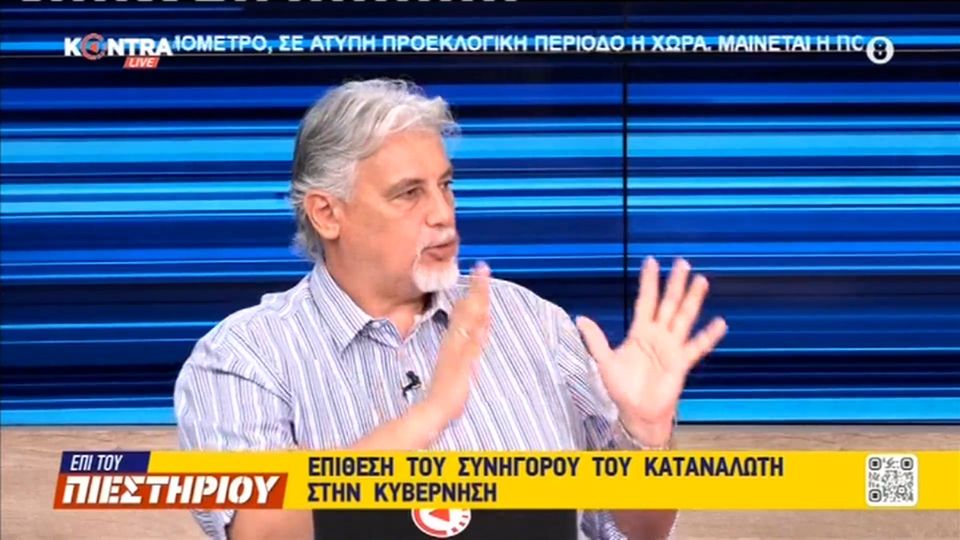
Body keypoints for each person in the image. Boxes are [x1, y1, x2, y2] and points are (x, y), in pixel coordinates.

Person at [174, 78, 728, 540]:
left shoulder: (532, 322)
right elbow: (264, 530)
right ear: (327, 214)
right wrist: (432, 413)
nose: (443, 213)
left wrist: (646, 435)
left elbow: (635, 529)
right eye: (409, 193)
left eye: (445, 185)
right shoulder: (244, 358)